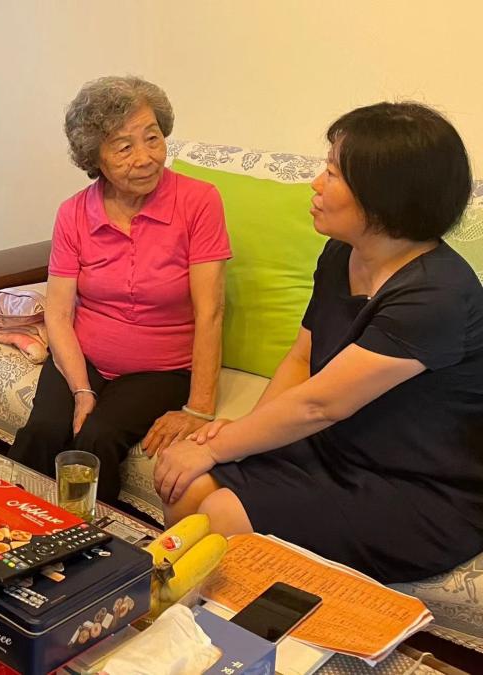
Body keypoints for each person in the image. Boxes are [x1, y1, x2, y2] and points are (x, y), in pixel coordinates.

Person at [154, 102, 483, 584]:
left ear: (384, 197)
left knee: (223, 513)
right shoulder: (341, 253)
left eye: (332, 173)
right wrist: (245, 439)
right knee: (186, 488)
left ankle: (236, 622)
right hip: (333, 447)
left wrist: (219, 446)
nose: (315, 184)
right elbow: (303, 357)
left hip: (417, 485)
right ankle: (177, 616)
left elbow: (320, 404)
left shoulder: (438, 294)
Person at [7, 76, 231, 504]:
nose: (145, 158)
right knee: (44, 431)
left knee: (98, 437)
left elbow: (212, 312)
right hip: (84, 356)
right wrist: (81, 389)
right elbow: (58, 313)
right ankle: (14, 524)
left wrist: (199, 408)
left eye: (153, 138)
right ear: (96, 157)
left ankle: (87, 537)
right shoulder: (74, 213)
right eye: (124, 147)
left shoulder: (199, 202)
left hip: (161, 369)